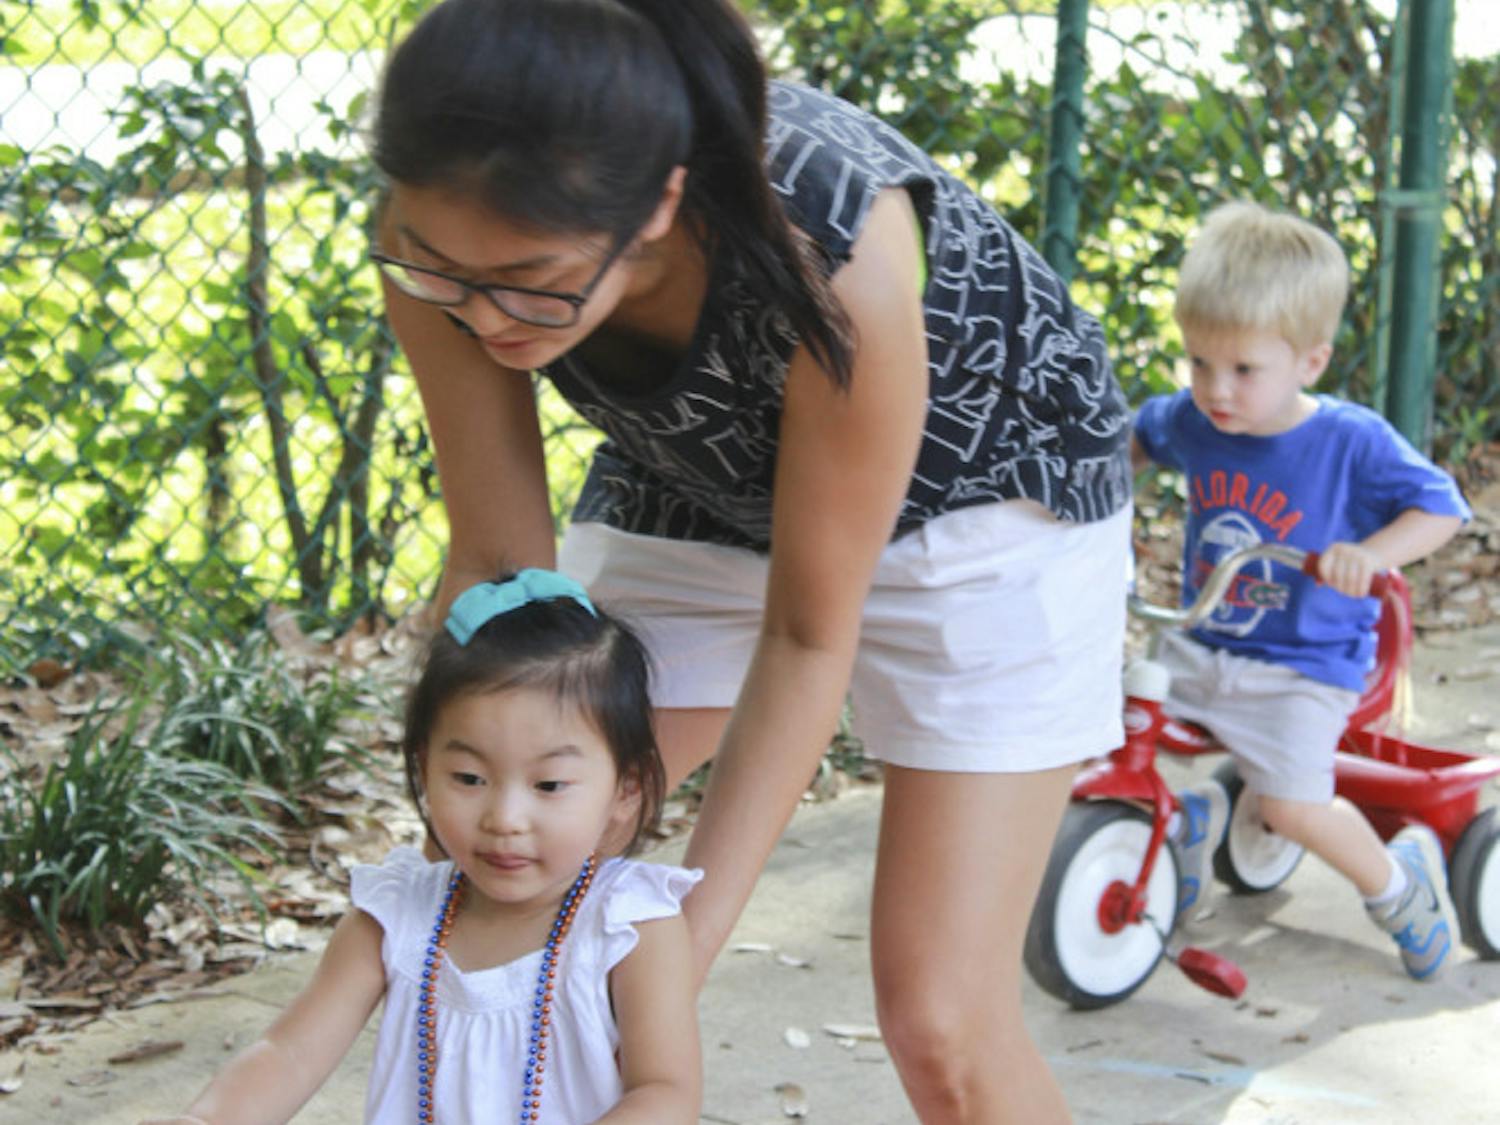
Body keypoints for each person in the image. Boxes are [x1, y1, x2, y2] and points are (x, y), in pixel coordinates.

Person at [371, 1, 1133, 1119]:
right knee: (544, 823)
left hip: (992, 492)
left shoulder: (835, 242)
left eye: (533, 282)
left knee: (942, 1020)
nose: (483, 319)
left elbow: (808, 632)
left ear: (660, 205)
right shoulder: (435, 234)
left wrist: (668, 957)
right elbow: (495, 563)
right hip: (700, 479)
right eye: (446, 277)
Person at [143, 570, 702, 1124]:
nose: (504, 819)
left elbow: (665, 1092)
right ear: (423, 768)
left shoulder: (630, 926)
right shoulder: (395, 917)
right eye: (468, 778)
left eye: (549, 785)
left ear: (626, 788)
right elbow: (290, 1053)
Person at [1132, 200, 1471, 980]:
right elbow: (1137, 439)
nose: (1216, 389)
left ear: (1310, 362)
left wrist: (1371, 554)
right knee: (1107, 724)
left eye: (1244, 369)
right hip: (1202, 637)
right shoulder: (1194, 418)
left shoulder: (1348, 441)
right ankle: (1184, 825)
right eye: (1199, 362)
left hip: (1304, 663)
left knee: (1291, 807)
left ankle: (1397, 885)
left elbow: (1442, 508)